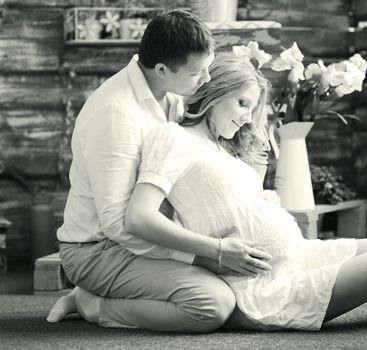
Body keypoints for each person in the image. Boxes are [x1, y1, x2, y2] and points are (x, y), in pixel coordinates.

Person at [118, 52, 367, 331]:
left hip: (298, 256)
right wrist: (216, 249)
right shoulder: (174, 138)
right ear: (214, 92)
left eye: (253, 108)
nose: (247, 117)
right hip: (265, 285)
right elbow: (140, 217)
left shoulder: (221, 148)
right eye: (242, 104)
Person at [46, 10, 273, 332]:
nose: (207, 80)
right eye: (198, 74)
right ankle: (91, 303)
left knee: (246, 273)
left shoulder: (171, 98)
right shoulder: (116, 114)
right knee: (212, 304)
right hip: (98, 249)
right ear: (163, 69)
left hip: (140, 238)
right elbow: (117, 225)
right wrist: (207, 255)